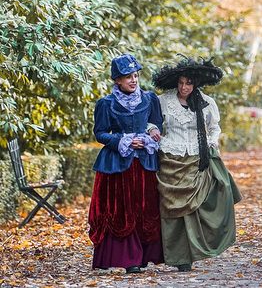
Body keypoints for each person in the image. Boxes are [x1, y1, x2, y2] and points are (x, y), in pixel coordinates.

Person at [152, 57, 242, 272]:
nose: (184, 87)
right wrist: (152, 131)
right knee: (172, 210)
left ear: (196, 84)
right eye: (181, 82)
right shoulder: (163, 101)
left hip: (197, 159)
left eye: (189, 83)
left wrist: (212, 142)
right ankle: (177, 255)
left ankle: (193, 253)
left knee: (199, 207)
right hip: (170, 159)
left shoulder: (207, 103)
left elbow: (214, 128)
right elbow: (153, 123)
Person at [88, 54, 164, 273]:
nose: (133, 80)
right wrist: (123, 140)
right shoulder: (106, 103)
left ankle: (143, 256)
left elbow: (157, 124)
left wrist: (151, 134)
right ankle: (127, 259)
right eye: (127, 76)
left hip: (144, 165)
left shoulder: (150, 99)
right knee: (122, 211)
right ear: (117, 80)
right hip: (118, 166)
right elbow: (100, 133)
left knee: (146, 208)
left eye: (135, 75)